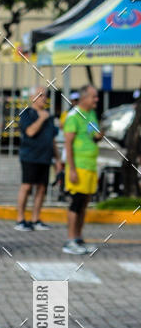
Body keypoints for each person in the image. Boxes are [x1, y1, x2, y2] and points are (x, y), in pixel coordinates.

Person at [62, 85, 104, 255]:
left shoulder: (91, 114)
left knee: (85, 204)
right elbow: (68, 144)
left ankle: (78, 237)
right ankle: (70, 240)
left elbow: (93, 135)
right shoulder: (73, 116)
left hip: (91, 166)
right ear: (84, 98)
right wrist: (71, 169)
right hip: (78, 167)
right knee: (76, 204)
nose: (96, 100)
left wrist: (99, 136)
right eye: (94, 97)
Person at [14, 87, 61, 231]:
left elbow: (52, 138)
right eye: (40, 96)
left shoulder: (49, 116)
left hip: (45, 157)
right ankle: (20, 219)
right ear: (32, 97)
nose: (44, 98)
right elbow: (30, 131)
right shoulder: (27, 114)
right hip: (30, 156)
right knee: (27, 187)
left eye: (45, 96)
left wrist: (57, 159)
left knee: (42, 188)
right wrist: (41, 118)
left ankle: (36, 219)